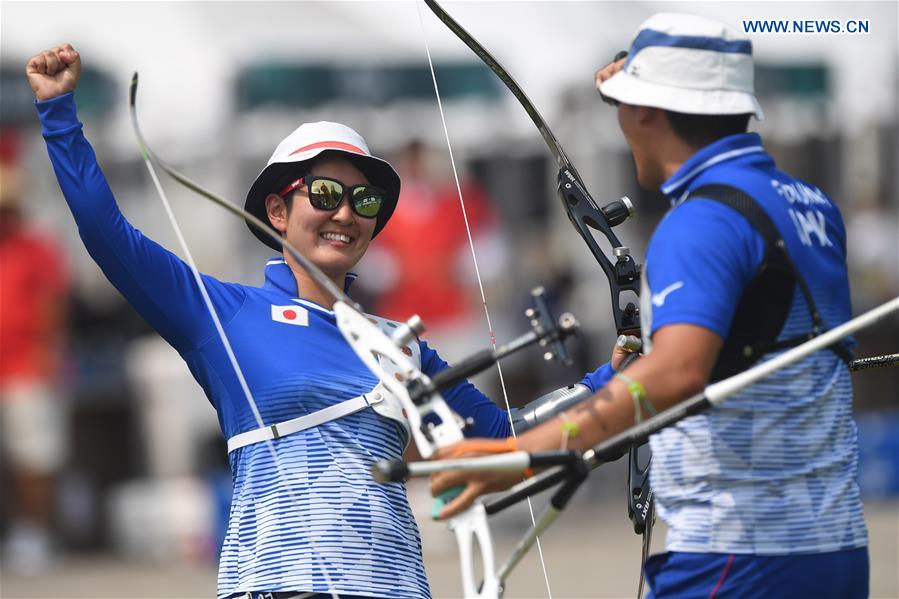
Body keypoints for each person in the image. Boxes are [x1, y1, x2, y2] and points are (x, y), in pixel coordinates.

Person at [27, 44, 512, 599]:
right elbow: (106, 233)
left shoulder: (400, 345)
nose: (346, 214)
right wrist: (59, 112)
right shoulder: (226, 315)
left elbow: (508, 437)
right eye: (326, 194)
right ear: (277, 212)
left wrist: (622, 381)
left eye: (364, 200)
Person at [430, 13, 868, 598]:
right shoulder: (812, 206)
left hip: (737, 556)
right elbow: (739, 347)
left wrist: (520, 455)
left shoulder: (703, 220)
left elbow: (677, 372)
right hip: (834, 550)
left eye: (624, 105)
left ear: (645, 114)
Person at [0, 128, 71, 574]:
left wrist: (47, 355)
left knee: (35, 460)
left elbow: (52, 305)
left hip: (25, 366)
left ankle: (35, 536)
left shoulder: (36, 247)